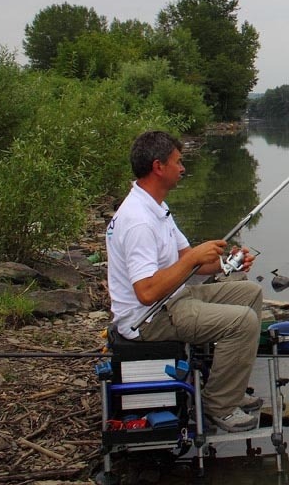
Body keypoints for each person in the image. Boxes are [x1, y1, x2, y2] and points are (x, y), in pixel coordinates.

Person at [106, 131, 264, 432]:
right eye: (178, 162)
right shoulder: (138, 220)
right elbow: (147, 291)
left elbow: (191, 261)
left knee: (250, 293)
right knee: (243, 322)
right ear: (158, 166)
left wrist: (227, 263)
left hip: (173, 299)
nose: (183, 168)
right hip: (148, 320)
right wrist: (191, 260)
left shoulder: (156, 207)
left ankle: (228, 386)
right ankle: (219, 406)